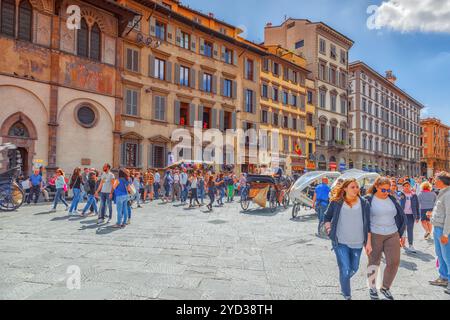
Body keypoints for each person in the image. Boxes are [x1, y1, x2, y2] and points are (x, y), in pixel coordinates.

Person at [324, 179, 371, 300]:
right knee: (345, 269)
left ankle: (343, 280)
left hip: (358, 242)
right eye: (353, 187)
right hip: (340, 242)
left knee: (354, 268)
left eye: (357, 187)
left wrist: (368, 242)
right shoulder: (336, 202)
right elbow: (327, 217)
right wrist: (329, 229)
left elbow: (368, 224)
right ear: (345, 188)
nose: (356, 189)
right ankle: (347, 294)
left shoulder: (364, 203)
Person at [365, 177, 406, 300]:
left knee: (394, 262)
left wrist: (402, 234)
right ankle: (372, 287)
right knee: (374, 262)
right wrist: (366, 240)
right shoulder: (368, 200)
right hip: (374, 234)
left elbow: (400, 216)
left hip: (392, 233)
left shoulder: (392, 199)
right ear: (376, 187)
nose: (386, 192)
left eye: (389, 190)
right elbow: (363, 219)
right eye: (383, 190)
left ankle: (385, 287)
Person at [428, 172, 450, 294]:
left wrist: (446, 234)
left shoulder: (448, 194)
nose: (434, 181)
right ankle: (444, 277)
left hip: (443, 230)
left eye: (435, 180)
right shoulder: (443, 193)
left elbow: (449, 216)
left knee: (448, 256)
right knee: (440, 255)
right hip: (438, 228)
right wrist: (433, 215)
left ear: (441, 181)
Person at [398, 181, 420, 253]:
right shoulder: (400, 194)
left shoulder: (414, 195)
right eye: (405, 186)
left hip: (411, 215)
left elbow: (417, 206)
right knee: (401, 230)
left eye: (408, 186)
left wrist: (417, 216)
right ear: (403, 187)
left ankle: (411, 245)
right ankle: (399, 243)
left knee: (410, 230)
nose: (407, 187)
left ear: (410, 187)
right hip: (402, 215)